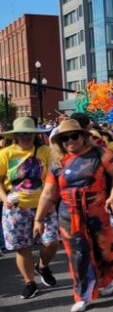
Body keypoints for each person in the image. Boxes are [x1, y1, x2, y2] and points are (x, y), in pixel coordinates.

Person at [34, 119, 113, 312]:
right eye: (65, 139)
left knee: (104, 250)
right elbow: (48, 193)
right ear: (60, 142)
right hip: (69, 215)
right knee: (78, 255)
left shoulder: (100, 154)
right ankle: (83, 295)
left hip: (98, 212)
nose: (70, 141)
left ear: (83, 137)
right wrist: (38, 219)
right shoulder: (57, 163)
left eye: (74, 136)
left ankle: (107, 278)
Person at [0, 117, 58, 299]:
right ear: (15, 136)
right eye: (22, 133)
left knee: (51, 242)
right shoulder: (5, 153)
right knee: (22, 247)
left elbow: (54, 179)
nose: (26, 136)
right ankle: (29, 282)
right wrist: (4, 199)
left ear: (35, 135)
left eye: (30, 133)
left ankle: (42, 266)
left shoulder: (45, 151)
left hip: (44, 205)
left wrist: (51, 202)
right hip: (16, 208)